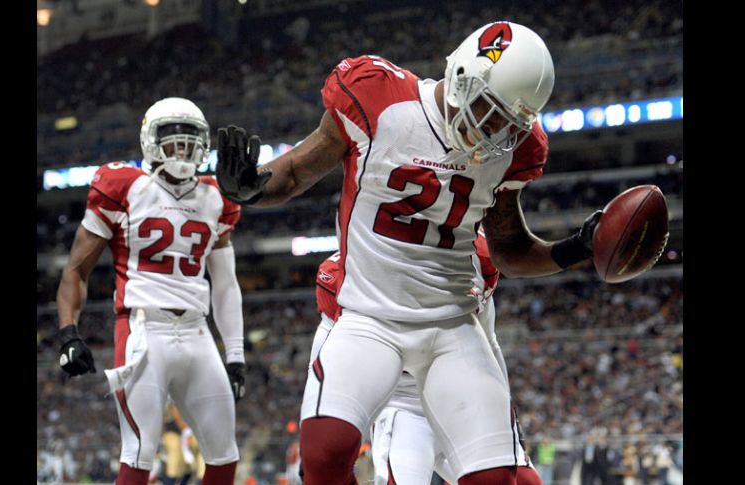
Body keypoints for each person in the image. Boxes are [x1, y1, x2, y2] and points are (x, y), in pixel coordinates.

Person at [216, 21, 601, 485]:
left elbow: (510, 251)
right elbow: (297, 171)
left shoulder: (514, 150)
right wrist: (252, 187)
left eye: (511, 122)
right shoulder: (380, 98)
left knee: (497, 479)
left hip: (452, 323)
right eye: (492, 110)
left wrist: (575, 249)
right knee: (324, 454)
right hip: (368, 317)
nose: (496, 129)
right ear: (463, 74)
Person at [56, 97, 247, 485]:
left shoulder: (218, 197)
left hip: (197, 332)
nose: (182, 150)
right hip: (144, 329)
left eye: (190, 141)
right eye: (173, 141)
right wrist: (68, 332)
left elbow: (226, 284)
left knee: (225, 454)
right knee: (139, 452)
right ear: (150, 140)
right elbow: (77, 269)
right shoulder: (124, 186)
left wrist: (237, 355)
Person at [309, 233, 541, 485]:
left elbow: (488, 344)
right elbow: (325, 366)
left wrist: (505, 418)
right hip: (403, 405)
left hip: (460, 393)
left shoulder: (477, 254)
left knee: (523, 481)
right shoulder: (343, 274)